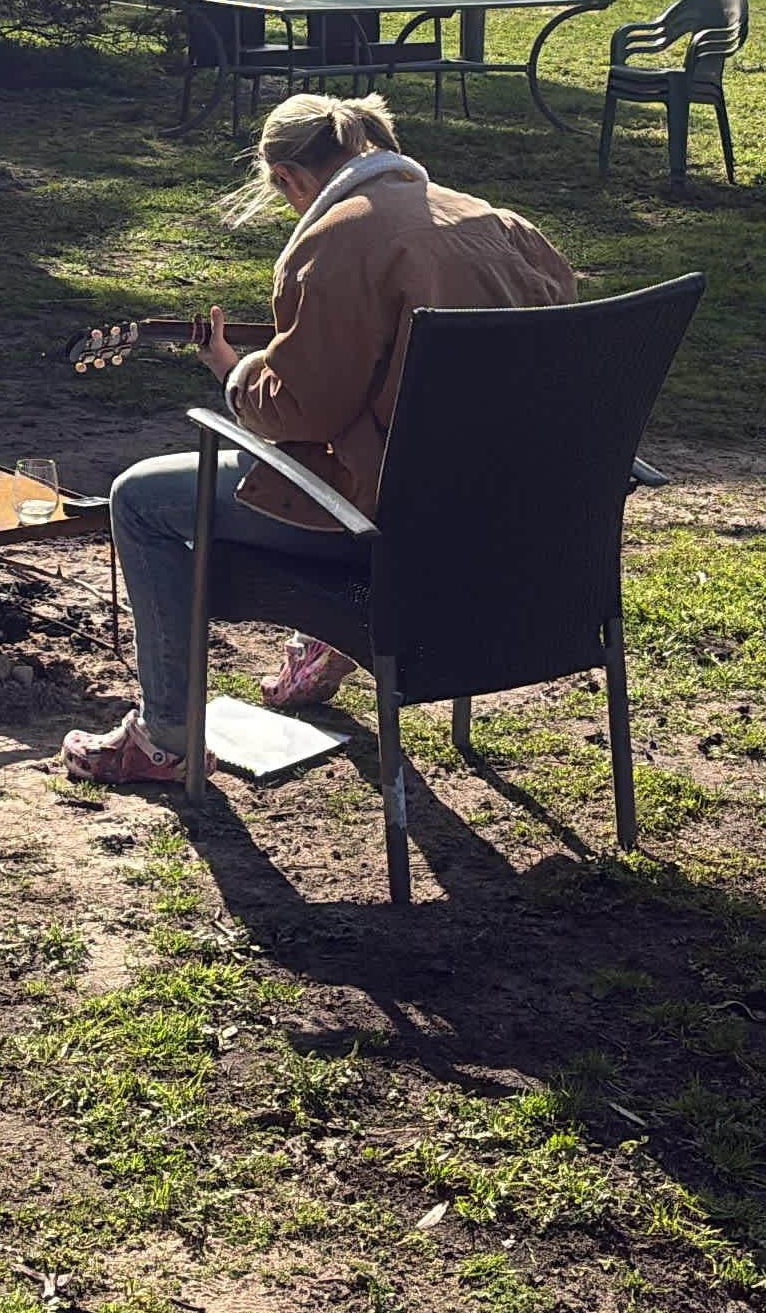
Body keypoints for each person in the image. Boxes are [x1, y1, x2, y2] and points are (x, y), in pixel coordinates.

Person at [61, 89, 576, 789]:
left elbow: (301, 411)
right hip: (520, 519)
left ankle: (165, 738)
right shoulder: (501, 224)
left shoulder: (337, 239)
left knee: (139, 499)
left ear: (289, 179)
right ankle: (315, 648)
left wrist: (236, 374)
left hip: (393, 527)